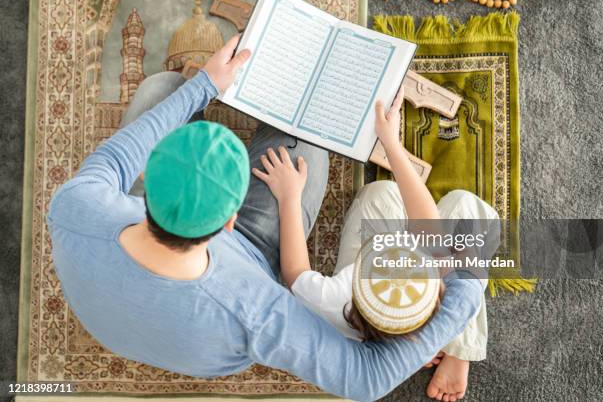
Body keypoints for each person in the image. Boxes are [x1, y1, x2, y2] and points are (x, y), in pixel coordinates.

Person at [47, 35, 484, 401]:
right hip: (232, 284)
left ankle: (197, 101)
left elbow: (118, 153)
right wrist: (466, 286)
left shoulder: (77, 203)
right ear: (230, 221)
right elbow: (366, 380)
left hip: (120, 315)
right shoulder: (259, 311)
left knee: (161, 86)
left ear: (145, 179)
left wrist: (205, 85)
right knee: (303, 138)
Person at [253, 87, 500, 401]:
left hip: (402, 323)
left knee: (381, 194)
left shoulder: (334, 298)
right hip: (427, 324)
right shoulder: (454, 297)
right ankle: (457, 345)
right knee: (467, 207)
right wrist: (390, 142)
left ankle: (453, 347)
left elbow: (295, 274)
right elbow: (431, 230)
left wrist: (289, 197)